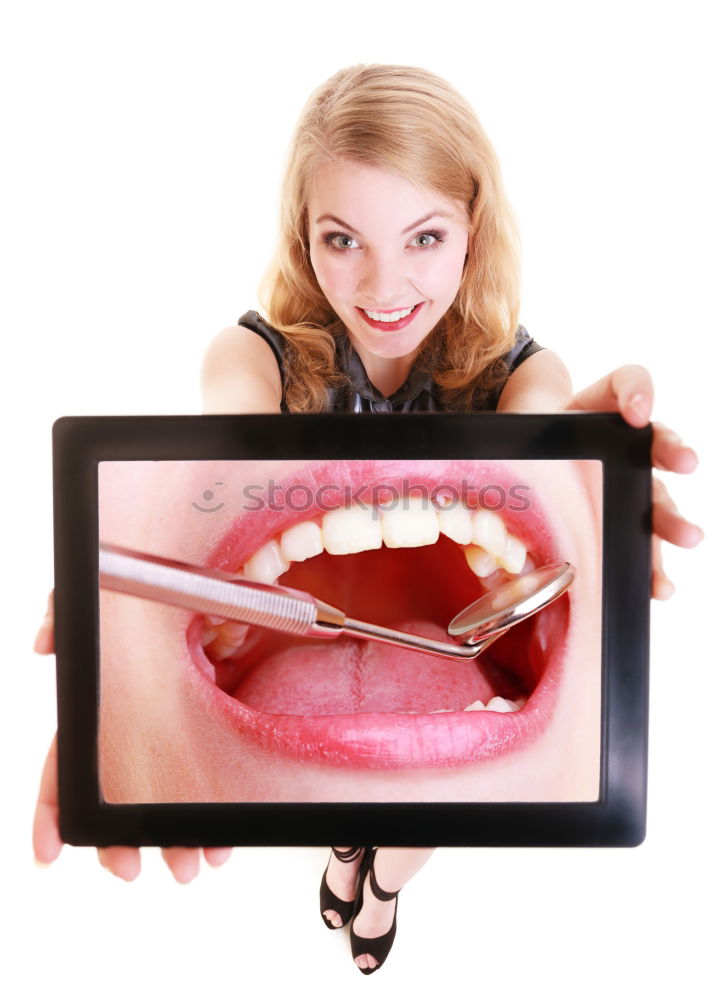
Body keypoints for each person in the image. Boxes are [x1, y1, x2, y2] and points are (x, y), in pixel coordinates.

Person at [33, 64, 703, 975]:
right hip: (310, 612)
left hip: (441, 621)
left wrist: (586, 484)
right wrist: (126, 642)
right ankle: (354, 849)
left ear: (474, 230)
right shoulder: (249, 354)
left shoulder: (527, 373)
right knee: (376, 768)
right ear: (301, 240)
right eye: (342, 239)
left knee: (420, 774)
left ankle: (380, 879)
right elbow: (227, 448)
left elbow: (531, 469)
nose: (384, 285)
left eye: (423, 236)